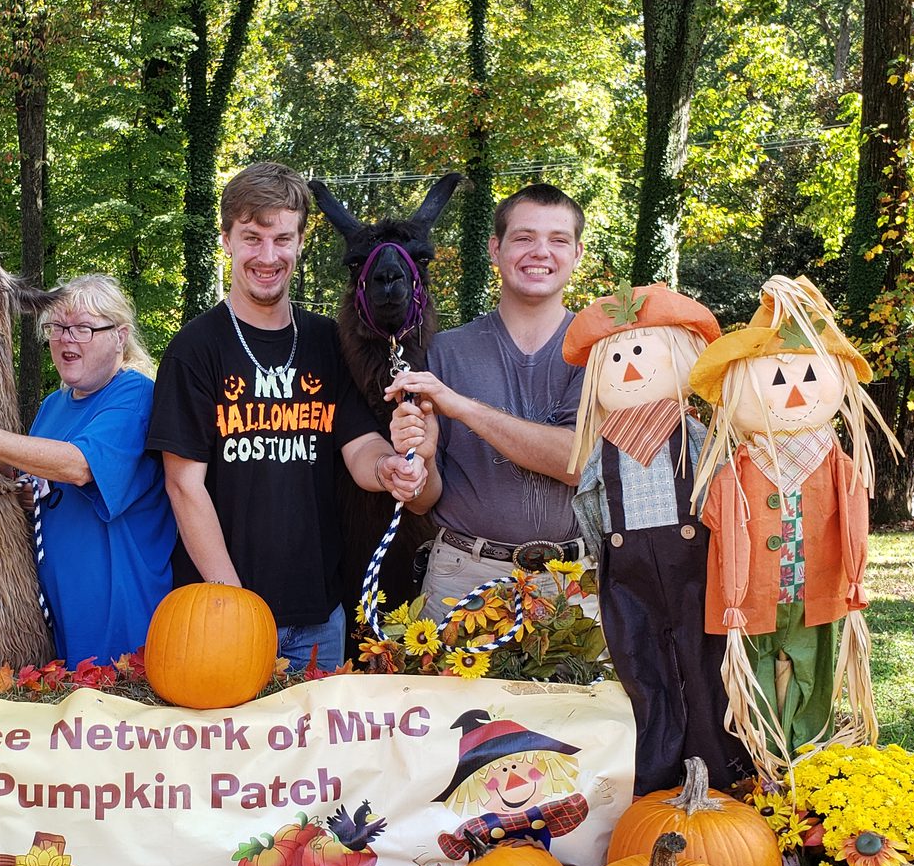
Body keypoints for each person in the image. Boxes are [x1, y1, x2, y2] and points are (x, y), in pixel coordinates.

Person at [146, 161, 428, 670]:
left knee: (317, 751)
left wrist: (388, 467)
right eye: (252, 238)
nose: (268, 256)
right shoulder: (196, 348)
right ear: (227, 239)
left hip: (320, 616)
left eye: (282, 239)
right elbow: (183, 486)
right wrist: (232, 605)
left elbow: (359, 445)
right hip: (221, 612)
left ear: (300, 242)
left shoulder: (326, 341)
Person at [0, 275, 176, 665]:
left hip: (120, 609)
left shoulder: (134, 394)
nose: (67, 339)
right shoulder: (53, 405)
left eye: (83, 328)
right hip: (63, 607)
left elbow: (79, 465)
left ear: (120, 336)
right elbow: (40, 470)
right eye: (57, 328)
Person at [388, 183, 591, 611]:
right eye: (524, 237)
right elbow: (425, 499)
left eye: (558, 240)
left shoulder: (602, 352)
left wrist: (460, 405)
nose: (540, 252)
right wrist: (419, 462)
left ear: (577, 254)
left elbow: (576, 461)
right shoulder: (444, 351)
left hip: (571, 584)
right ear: (495, 249)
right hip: (461, 575)